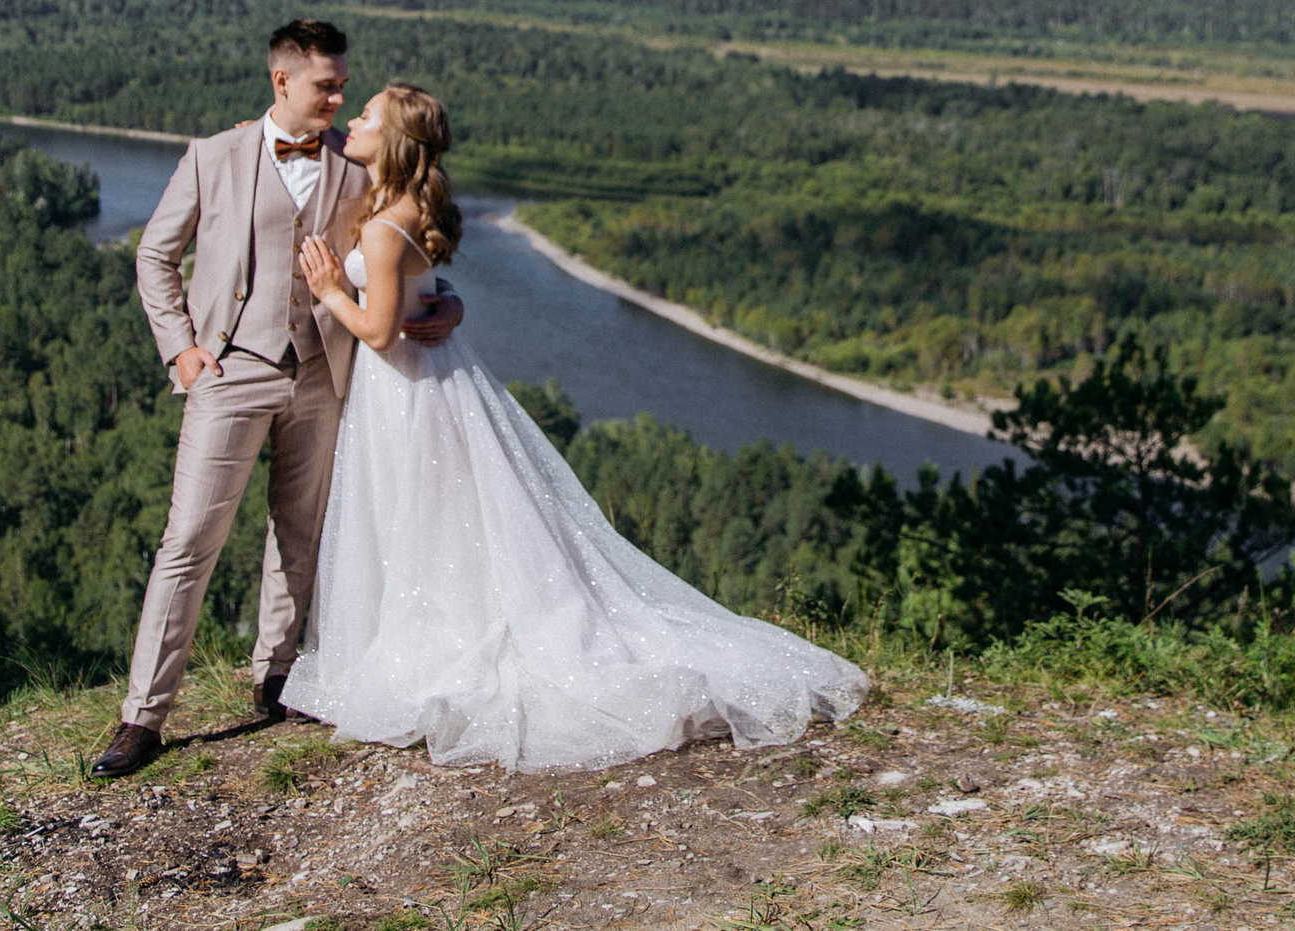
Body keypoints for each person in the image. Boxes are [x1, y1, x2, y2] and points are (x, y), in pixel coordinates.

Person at [277, 83, 869, 771]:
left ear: (396, 139)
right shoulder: (407, 207)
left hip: (404, 387)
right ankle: (428, 634)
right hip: (430, 383)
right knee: (437, 522)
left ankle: (423, 652)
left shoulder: (383, 228)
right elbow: (426, 293)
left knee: (415, 518)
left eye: (367, 115)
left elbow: (380, 331)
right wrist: (449, 303)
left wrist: (328, 291)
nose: (354, 118)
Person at [92, 21, 465, 779]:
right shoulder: (214, 155)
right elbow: (156, 254)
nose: (337, 97)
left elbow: (416, 247)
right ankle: (142, 716)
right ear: (282, 82)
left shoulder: (359, 163)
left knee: (301, 535)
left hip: (326, 372)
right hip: (230, 372)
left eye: (342, 85)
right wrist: (184, 350)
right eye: (327, 84)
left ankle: (278, 676)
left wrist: (449, 302)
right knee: (188, 542)